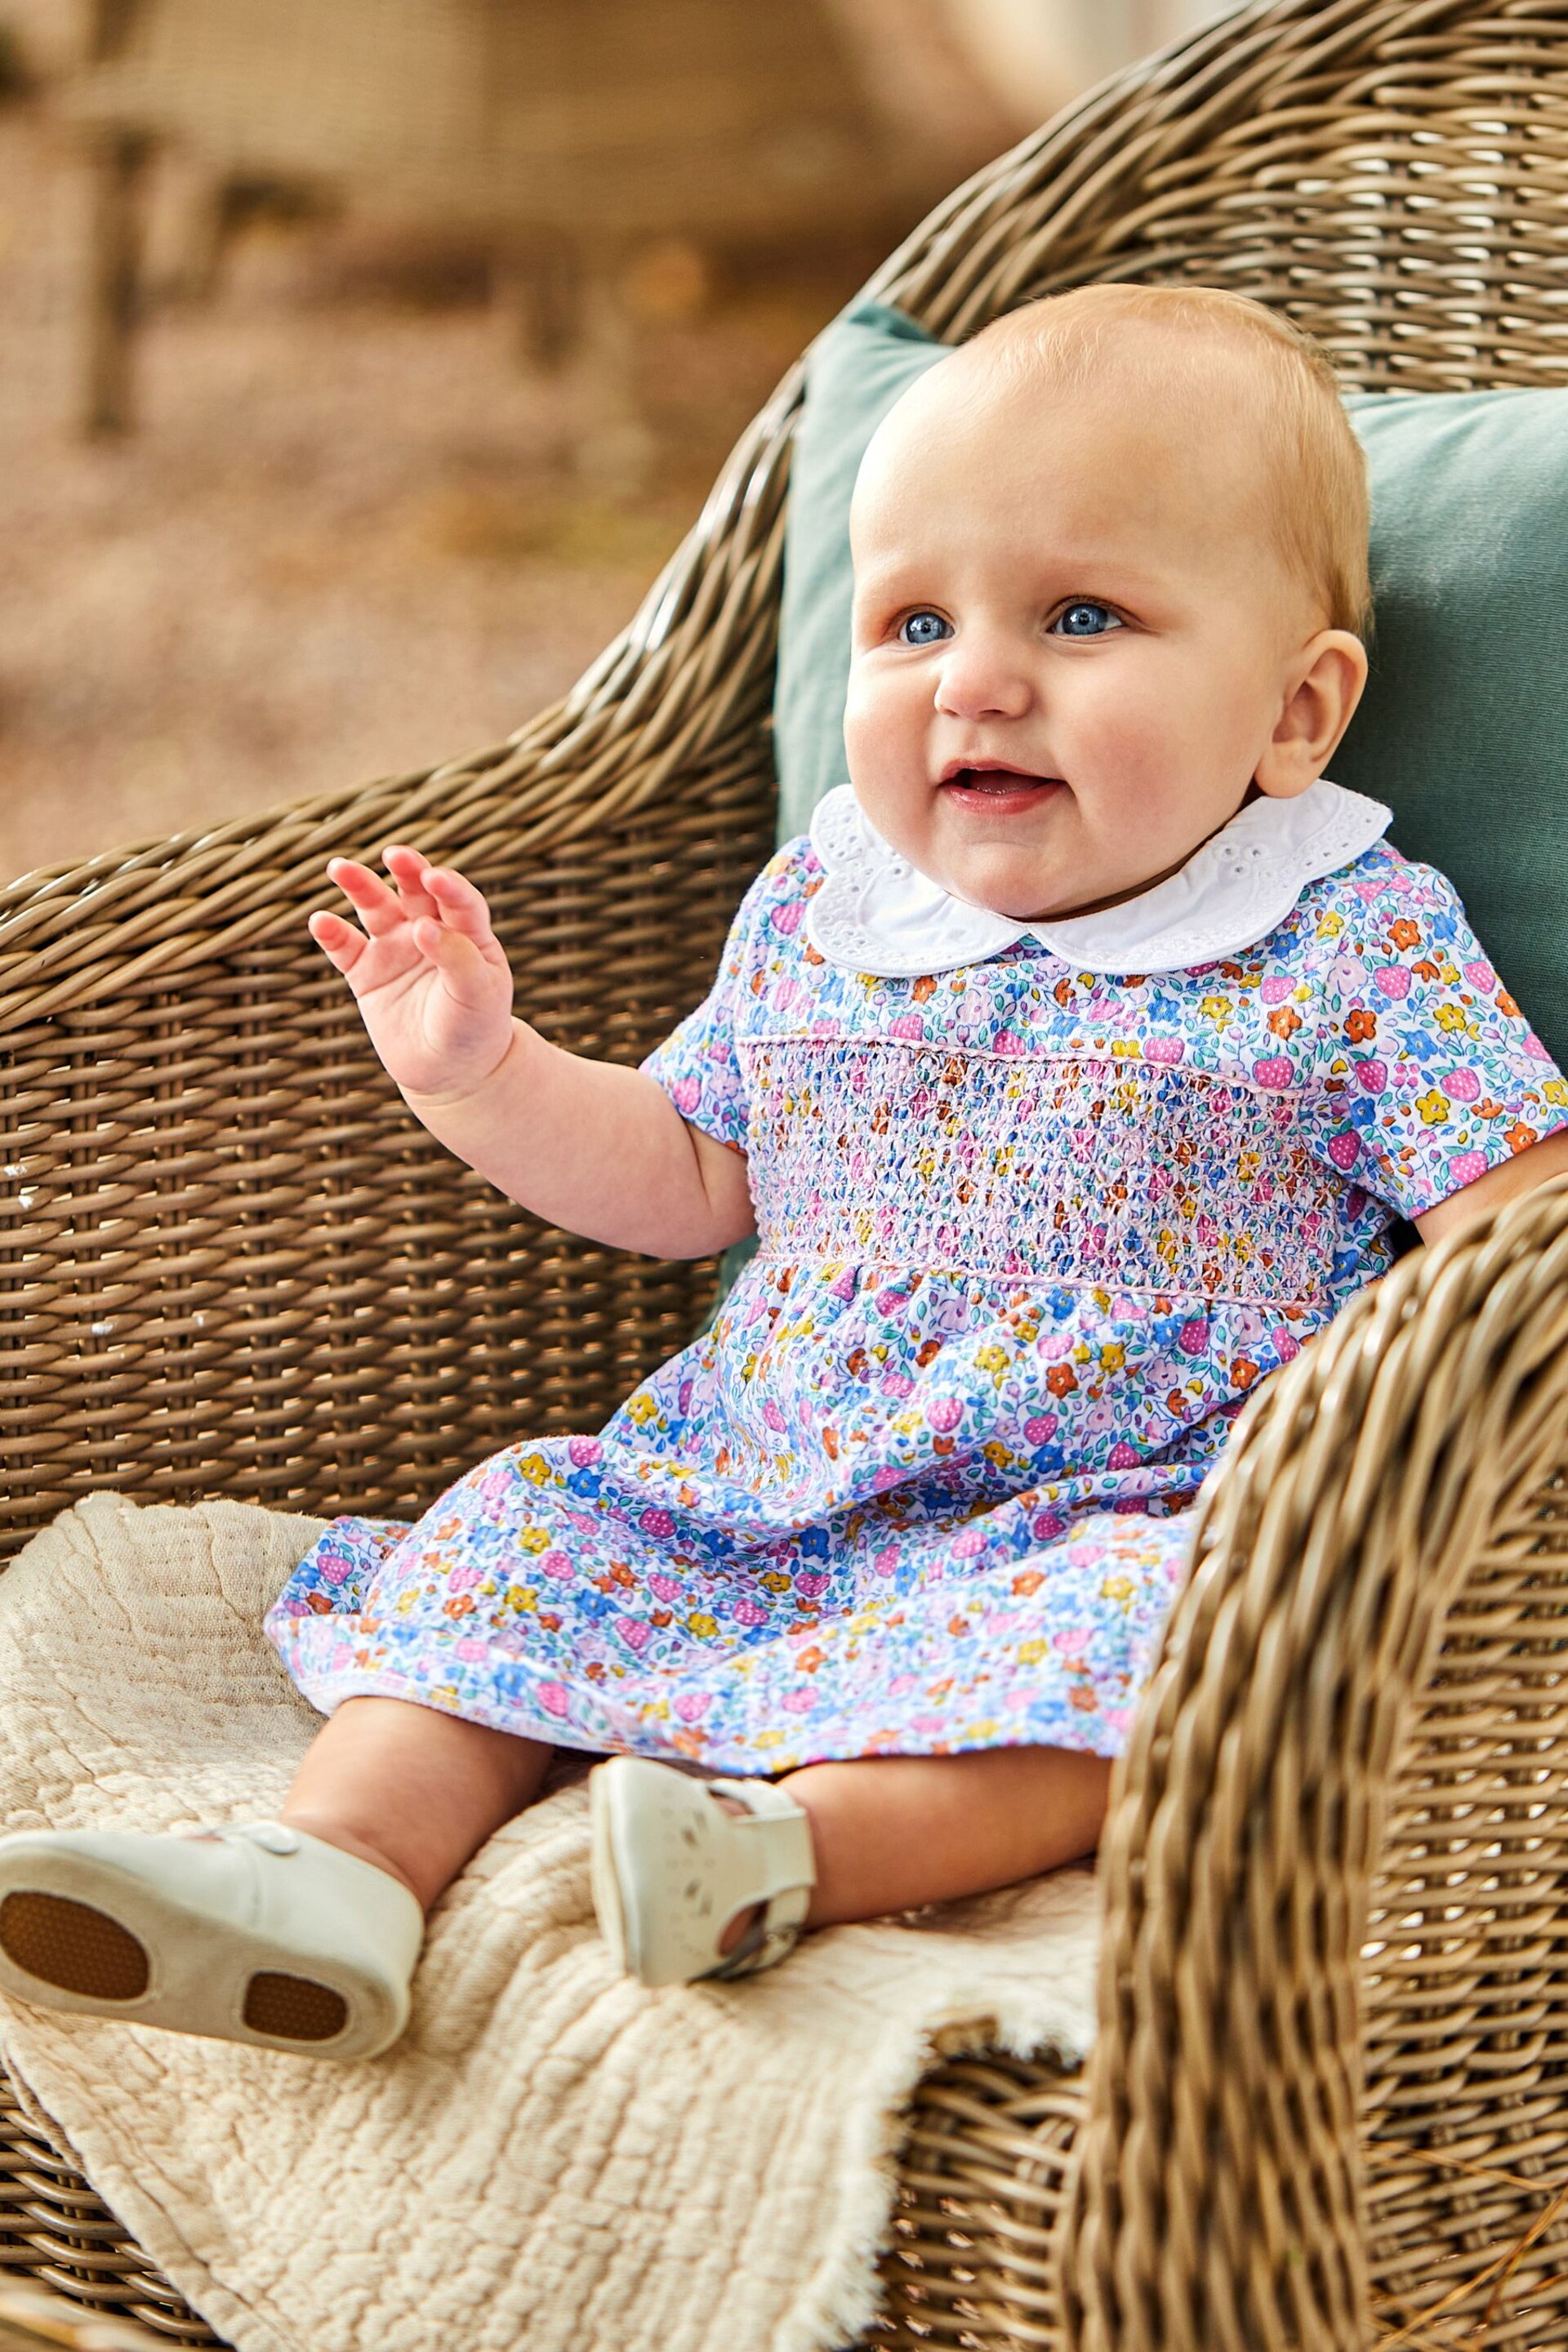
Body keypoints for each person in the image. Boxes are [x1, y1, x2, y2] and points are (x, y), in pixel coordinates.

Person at [2, 284, 1565, 2062]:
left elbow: (1519, 1239)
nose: (974, 679)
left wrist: (1380, 1461)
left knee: (1137, 1663)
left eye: (1080, 615)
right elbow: (687, 1173)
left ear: (1296, 713)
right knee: (515, 1540)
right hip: (753, 1474)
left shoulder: (1349, 942)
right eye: (912, 620)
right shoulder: (833, 910)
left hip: (1115, 1506)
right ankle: (332, 1875)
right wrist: (482, 1070)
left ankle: (778, 1856)